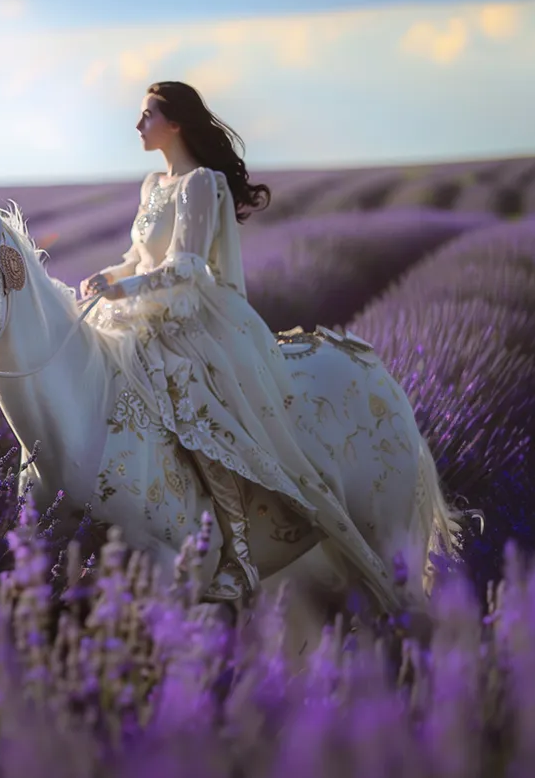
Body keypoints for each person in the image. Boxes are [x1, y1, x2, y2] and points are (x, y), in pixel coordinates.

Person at [79, 80, 396, 610]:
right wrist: (106, 276)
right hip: (140, 312)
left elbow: (187, 267)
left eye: (146, 115)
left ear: (174, 122)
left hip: (191, 319)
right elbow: (138, 258)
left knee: (196, 407)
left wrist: (124, 288)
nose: (138, 125)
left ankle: (240, 553)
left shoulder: (201, 184)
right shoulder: (151, 184)